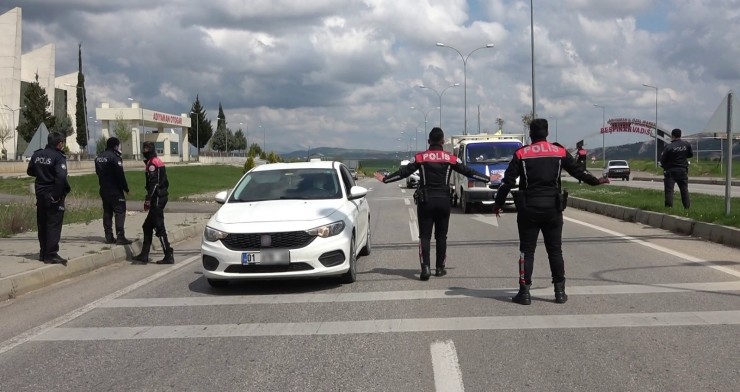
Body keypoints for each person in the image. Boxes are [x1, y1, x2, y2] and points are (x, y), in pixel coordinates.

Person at [492, 119, 609, 305]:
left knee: (526, 251)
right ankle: (559, 292)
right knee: (555, 251)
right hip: (553, 209)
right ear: (547, 133)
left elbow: (508, 181)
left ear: (530, 134)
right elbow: (578, 171)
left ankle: (524, 292)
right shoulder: (559, 151)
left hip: (528, 209)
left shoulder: (522, 154)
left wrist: (498, 204)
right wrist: (596, 181)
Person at [375, 127, 492, 281]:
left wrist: (385, 179)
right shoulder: (450, 158)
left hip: (426, 201)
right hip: (444, 201)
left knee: (424, 236)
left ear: (429, 141)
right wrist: (487, 178)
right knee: (441, 237)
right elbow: (467, 171)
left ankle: (425, 268)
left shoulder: (420, 157)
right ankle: (440, 268)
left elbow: (404, 172)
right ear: (443, 142)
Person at [26, 131, 71, 265]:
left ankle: (43, 252)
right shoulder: (58, 157)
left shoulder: (37, 154)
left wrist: (42, 174)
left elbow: (30, 171)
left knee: (42, 224)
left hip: (40, 194)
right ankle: (51, 254)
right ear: (59, 144)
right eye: (62, 143)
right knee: (53, 224)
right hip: (53, 195)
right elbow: (61, 177)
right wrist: (56, 196)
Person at [132, 141, 174, 264]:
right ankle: (144, 255)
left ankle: (168, 254)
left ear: (150, 150)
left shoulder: (152, 163)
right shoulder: (157, 161)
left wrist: (148, 199)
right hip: (161, 196)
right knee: (147, 226)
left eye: (146, 149)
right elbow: (166, 182)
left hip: (157, 198)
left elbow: (154, 183)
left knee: (159, 227)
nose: (144, 151)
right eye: (143, 148)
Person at [95, 137, 132, 245]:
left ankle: (109, 236)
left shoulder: (99, 157)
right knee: (120, 211)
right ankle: (120, 236)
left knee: (107, 212)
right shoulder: (115, 157)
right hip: (115, 190)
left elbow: (98, 173)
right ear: (116, 146)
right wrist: (126, 188)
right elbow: (120, 175)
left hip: (104, 189)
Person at [660, 128, 693, 209]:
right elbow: (690, 155)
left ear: (672, 136)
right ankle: (687, 207)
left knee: (669, 190)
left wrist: (665, 167)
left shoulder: (669, 147)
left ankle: (669, 207)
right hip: (683, 170)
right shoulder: (686, 145)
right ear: (680, 135)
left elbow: (663, 160)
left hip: (670, 171)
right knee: (684, 190)